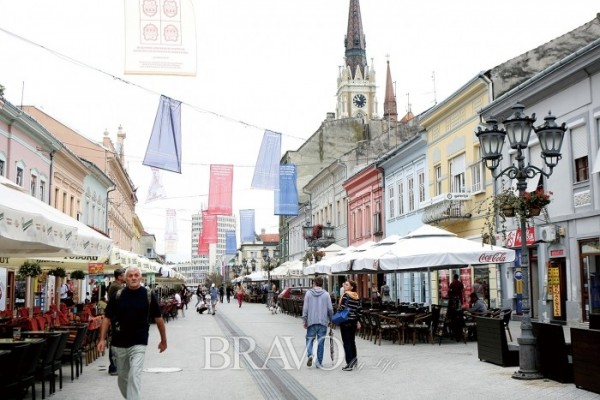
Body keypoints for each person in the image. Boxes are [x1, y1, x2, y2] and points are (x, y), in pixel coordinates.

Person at [97, 267, 167, 400]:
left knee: (134, 375)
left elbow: (159, 319)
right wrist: (102, 339)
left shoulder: (148, 295)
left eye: (136, 275)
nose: (133, 278)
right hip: (119, 343)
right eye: (130, 275)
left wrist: (163, 340)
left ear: (140, 278)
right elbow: (107, 318)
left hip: (139, 342)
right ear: (125, 278)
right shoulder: (118, 295)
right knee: (123, 378)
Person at [302, 276, 333, 369]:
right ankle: (319, 362)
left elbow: (305, 308)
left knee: (309, 339)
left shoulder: (308, 293)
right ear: (322, 284)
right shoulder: (326, 294)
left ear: (314, 283)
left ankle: (310, 355)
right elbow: (330, 309)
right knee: (321, 342)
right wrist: (331, 319)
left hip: (311, 321)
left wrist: (305, 320)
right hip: (323, 322)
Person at [338, 279, 362, 371]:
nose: (344, 285)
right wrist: (357, 320)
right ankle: (354, 359)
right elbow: (359, 310)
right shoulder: (356, 296)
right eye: (344, 284)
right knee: (352, 341)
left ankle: (349, 364)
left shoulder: (345, 296)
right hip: (353, 322)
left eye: (346, 285)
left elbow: (342, 308)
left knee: (346, 343)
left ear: (351, 287)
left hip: (345, 322)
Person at [106, 268, 126, 376]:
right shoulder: (116, 287)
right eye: (124, 275)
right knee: (115, 342)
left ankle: (116, 365)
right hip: (116, 318)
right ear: (119, 277)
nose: (126, 277)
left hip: (118, 317)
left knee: (118, 341)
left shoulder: (118, 286)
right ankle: (113, 367)